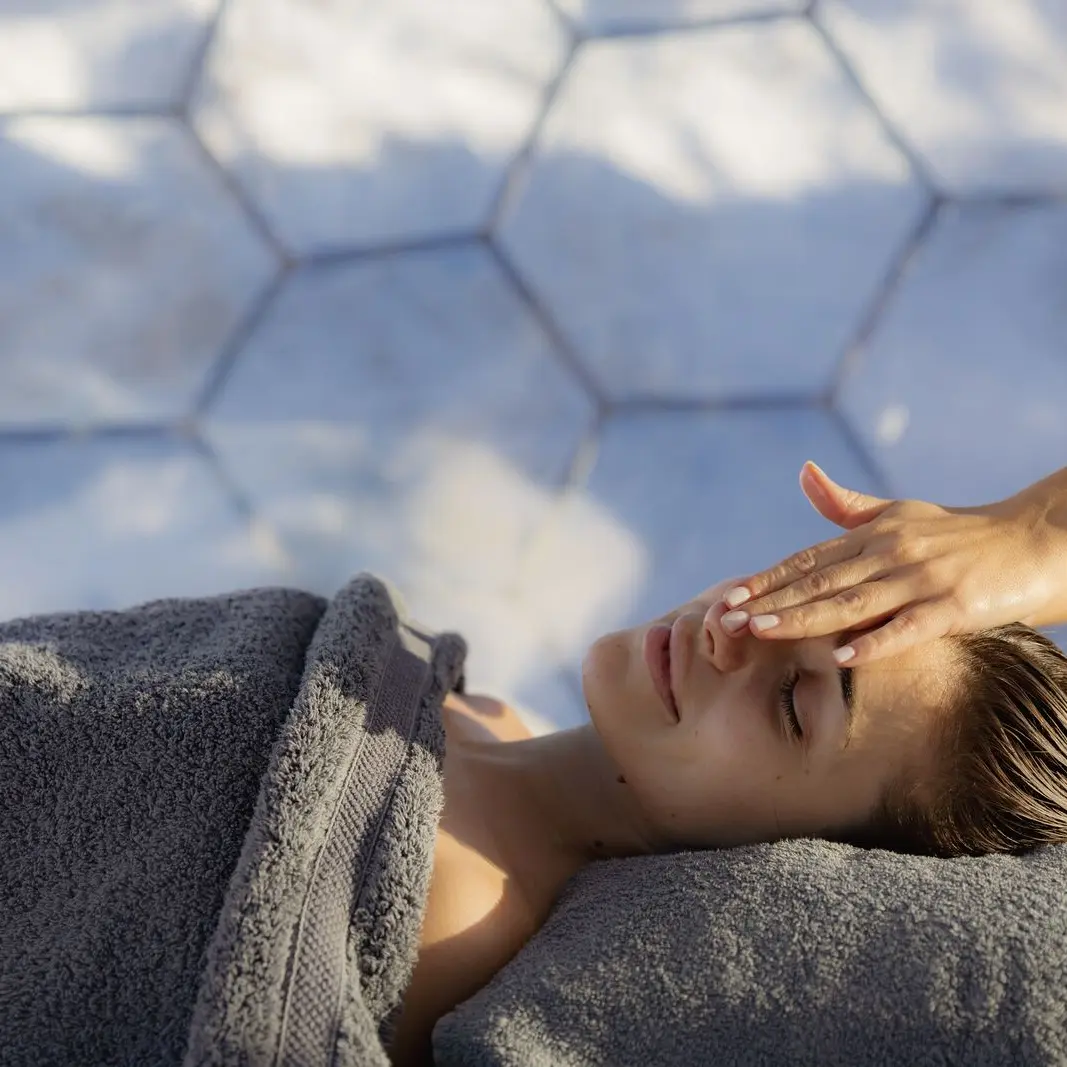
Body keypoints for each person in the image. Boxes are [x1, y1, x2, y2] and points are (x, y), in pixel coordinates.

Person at [390, 461, 1067, 1065]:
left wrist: (1039, 527)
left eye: (793, 705)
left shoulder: (443, 907)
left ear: (797, 859)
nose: (734, 626)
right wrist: (1019, 534)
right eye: (810, 590)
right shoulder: (478, 713)